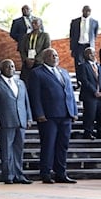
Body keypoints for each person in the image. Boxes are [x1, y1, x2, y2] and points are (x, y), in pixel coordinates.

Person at [28, 48, 78, 184]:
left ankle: (61, 173)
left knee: (63, 145)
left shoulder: (64, 72)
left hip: (66, 115)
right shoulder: (37, 73)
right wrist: (39, 113)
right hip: (48, 116)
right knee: (48, 144)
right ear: (44, 58)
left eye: (56, 55)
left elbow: (70, 93)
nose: (55, 57)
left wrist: (74, 111)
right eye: (51, 55)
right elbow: (35, 95)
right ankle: (45, 173)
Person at [0, 59, 34, 184]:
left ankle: (19, 174)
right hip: (5, 121)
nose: (11, 69)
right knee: (6, 150)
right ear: (1, 68)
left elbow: (26, 102)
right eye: (8, 67)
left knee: (19, 150)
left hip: (21, 120)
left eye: (13, 66)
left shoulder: (20, 83)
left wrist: (29, 117)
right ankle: (8, 175)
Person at [76, 47, 101, 139]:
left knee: (99, 115)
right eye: (90, 54)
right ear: (85, 55)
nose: (93, 55)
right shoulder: (82, 66)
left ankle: (99, 132)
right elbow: (84, 80)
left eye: (94, 53)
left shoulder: (98, 66)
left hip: (99, 96)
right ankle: (88, 132)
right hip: (90, 96)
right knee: (90, 114)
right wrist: (94, 91)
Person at [18, 17, 50, 81]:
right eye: (32, 23)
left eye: (35, 23)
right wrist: (26, 59)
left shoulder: (45, 35)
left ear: (40, 25)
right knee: (25, 80)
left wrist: (35, 59)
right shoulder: (26, 36)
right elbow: (22, 49)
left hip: (39, 63)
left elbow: (46, 48)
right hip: (27, 63)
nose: (33, 24)